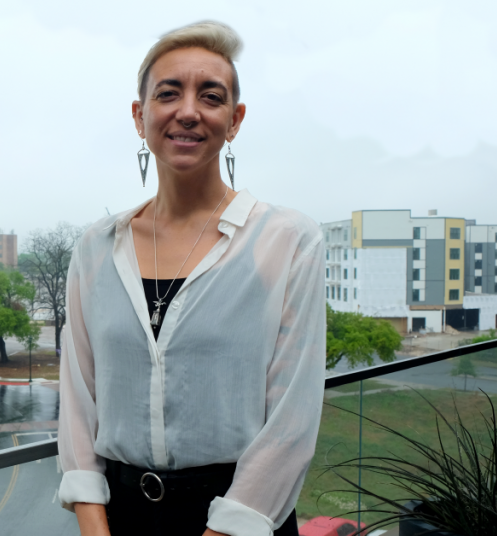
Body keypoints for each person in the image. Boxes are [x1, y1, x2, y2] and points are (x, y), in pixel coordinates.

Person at [57, 21, 326, 536]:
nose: (188, 111)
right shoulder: (96, 249)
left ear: (234, 119)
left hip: (241, 521)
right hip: (120, 519)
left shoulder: (286, 241)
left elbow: (291, 421)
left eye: (211, 95)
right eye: (168, 93)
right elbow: (78, 398)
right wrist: (95, 527)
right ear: (140, 116)